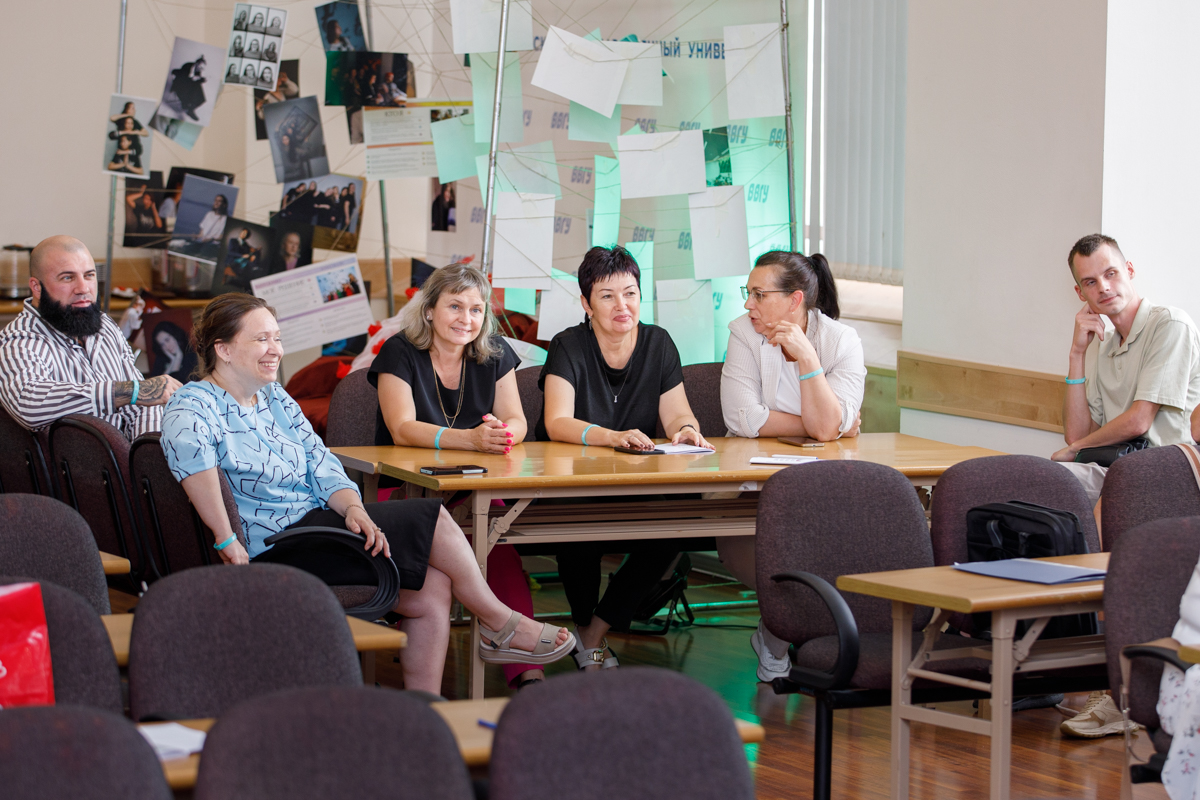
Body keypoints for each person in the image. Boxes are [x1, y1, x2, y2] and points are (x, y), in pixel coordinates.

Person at [162, 294, 573, 693]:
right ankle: (500, 622)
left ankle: (424, 707)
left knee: (432, 586)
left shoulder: (274, 397)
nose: (275, 350)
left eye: (277, 338)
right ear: (223, 349)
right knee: (432, 516)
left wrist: (354, 508)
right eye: (261, 339)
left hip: (316, 529)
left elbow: (321, 462)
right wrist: (226, 539)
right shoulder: (193, 404)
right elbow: (194, 466)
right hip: (274, 546)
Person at [1050, 234, 1200, 738]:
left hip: (1166, 469)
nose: (1104, 288)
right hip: (1116, 465)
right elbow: (1076, 433)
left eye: (1111, 274)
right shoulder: (1102, 342)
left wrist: (1076, 449)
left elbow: (1139, 421)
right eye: (1090, 282)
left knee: (1095, 509)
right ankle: (1045, 661)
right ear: (1080, 293)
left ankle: (1113, 688)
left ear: (1129, 270)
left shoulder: (1169, 325)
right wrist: (1077, 353)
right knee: (1043, 493)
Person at [371, 263, 548, 689]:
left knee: (499, 546)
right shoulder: (399, 351)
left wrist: (501, 435)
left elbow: (517, 421)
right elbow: (402, 428)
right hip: (404, 487)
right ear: (429, 309)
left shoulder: (495, 351)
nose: (466, 319)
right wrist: (469, 440)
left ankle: (528, 675)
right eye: (454, 306)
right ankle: (502, 628)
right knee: (443, 559)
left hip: (472, 483)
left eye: (476, 309)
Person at [538, 245, 712, 670]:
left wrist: (686, 429)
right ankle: (586, 629)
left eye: (630, 293)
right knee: (578, 533)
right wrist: (612, 437)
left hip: (636, 482)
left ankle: (592, 633)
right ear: (586, 304)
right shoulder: (568, 345)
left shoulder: (658, 342)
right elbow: (557, 421)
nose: (622, 305)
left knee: (676, 526)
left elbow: (677, 412)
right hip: (572, 482)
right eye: (607, 296)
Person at [716, 250, 867, 682]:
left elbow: (824, 426)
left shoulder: (840, 340)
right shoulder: (744, 333)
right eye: (747, 293)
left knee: (833, 536)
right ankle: (780, 634)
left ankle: (776, 636)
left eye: (759, 295)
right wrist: (827, 425)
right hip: (752, 485)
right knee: (786, 542)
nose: (749, 305)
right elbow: (743, 418)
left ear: (795, 299)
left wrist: (808, 360)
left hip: (823, 483)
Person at [0, 236, 180, 439]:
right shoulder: (17, 342)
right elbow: (29, 405)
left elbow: (142, 405)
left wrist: (142, 452)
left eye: (89, 275)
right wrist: (129, 391)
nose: (83, 289)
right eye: (67, 278)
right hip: (72, 459)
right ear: (37, 287)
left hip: (124, 454)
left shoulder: (104, 326)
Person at [170, 54, 208, 121]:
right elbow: (180, 77)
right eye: (200, 67)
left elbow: (196, 81)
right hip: (181, 86)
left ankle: (190, 110)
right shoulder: (187, 65)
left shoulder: (198, 71)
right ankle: (187, 107)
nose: (201, 69)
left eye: (202, 68)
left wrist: (202, 79)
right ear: (197, 63)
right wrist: (192, 79)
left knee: (201, 98)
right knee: (194, 91)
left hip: (188, 87)